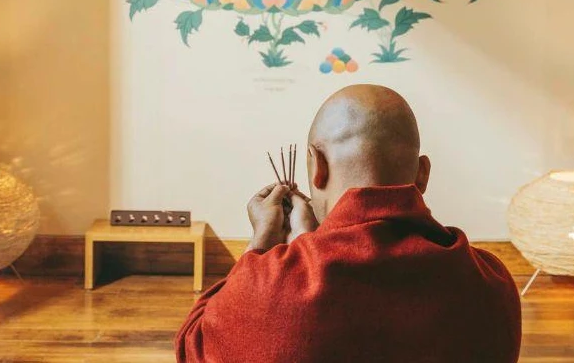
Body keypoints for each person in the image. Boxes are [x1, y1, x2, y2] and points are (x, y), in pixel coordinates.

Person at [175, 85, 522, 362]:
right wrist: (311, 246)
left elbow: (193, 345)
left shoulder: (268, 289)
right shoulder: (492, 284)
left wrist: (263, 247)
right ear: (422, 174)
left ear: (316, 168)